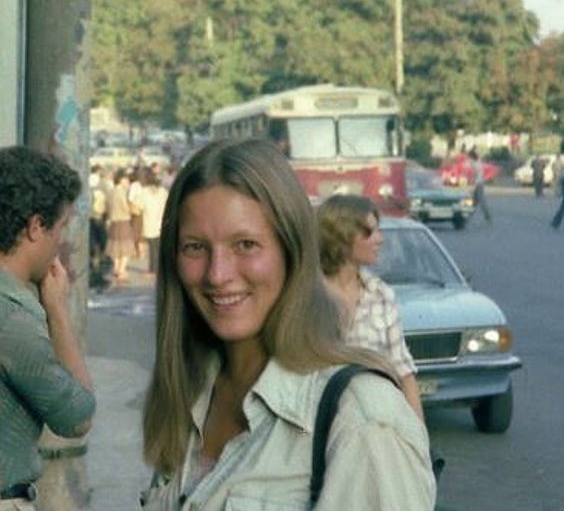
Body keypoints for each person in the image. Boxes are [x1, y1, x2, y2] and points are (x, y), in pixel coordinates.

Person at [139, 140, 435, 510]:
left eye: (245, 244)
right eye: (195, 247)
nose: (217, 274)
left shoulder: (362, 418)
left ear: (291, 251)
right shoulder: (194, 391)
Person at [0, 146, 96, 509]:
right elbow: (78, 418)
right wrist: (57, 310)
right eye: (58, 229)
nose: (60, 243)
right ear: (35, 227)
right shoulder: (12, 322)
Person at [317, 194, 425, 421]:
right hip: (318, 426)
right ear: (342, 235)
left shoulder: (381, 295)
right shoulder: (307, 295)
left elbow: (404, 372)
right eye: (371, 232)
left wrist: (419, 442)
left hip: (376, 423)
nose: (380, 240)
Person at [105, 168, 137, 282]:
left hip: (113, 221)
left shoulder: (111, 191)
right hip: (123, 220)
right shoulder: (122, 192)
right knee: (126, 247)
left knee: (115, 246)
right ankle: (122, 270)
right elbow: (126, 207)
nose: (127, 182)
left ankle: (116, 268)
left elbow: (107, 206)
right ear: (121, 179)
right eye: (126, 180)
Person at [140, 170, 169, 276]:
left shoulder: (145, 192)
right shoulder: (163, 192)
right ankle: (158, 269)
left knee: (152, 247)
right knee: (158, 247)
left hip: (149, 222)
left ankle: (153, 270)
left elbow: (140, 206)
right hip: (160, 222)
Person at [469, 148, 492, 225]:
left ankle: (488, 217)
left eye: (469, 157)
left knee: (481, 202)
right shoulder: (477, 162)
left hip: (478, 184)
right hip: (479, 183)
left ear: (471, 157)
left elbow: (478, 175)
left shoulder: (475, 164)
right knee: (474, 202)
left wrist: (474, 185)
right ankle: (468, 216)